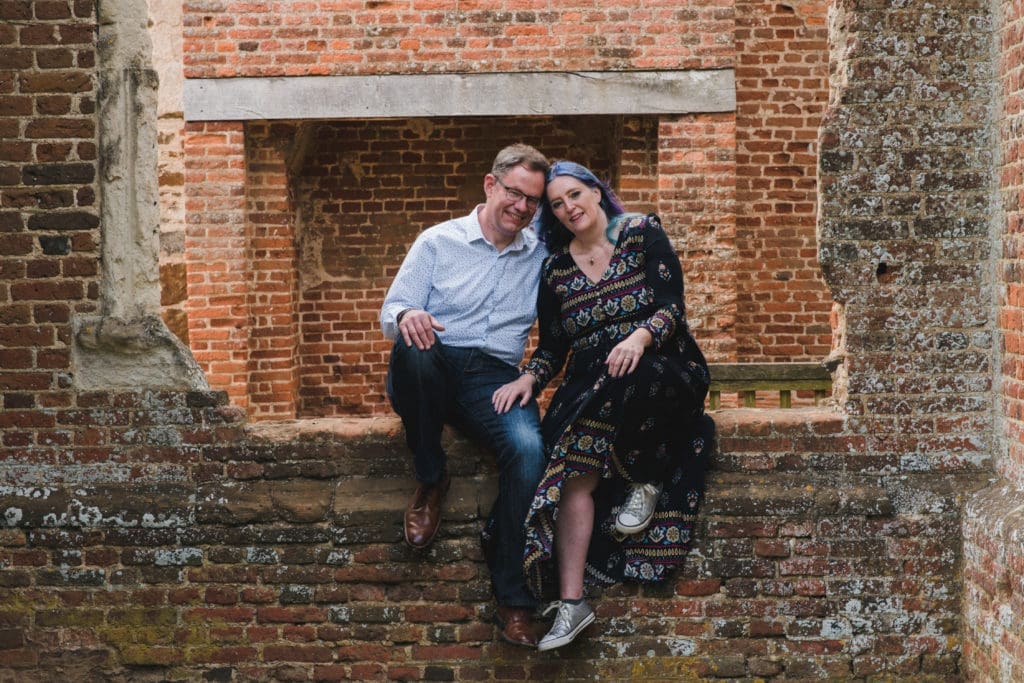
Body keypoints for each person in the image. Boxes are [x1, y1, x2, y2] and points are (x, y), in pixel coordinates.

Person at [492, 160, 715, 651]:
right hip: (593, 382)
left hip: (663, 364)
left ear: (596, 191)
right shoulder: (554, 269)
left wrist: (638, 338)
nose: (568, 208)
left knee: (634, 373)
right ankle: (572, 604)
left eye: (574, 194)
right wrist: (529, 376)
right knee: (571, 471)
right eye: (556, 204)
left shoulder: (639, 233)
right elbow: (553, 346)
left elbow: (671, 305)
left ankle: (649, 481)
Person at [380, 143, 551, 647]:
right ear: (490, 185)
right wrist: (408, 315)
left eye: (532, 201)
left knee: (528, 450)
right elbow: (394, 308)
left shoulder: (541, 255)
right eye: (515, 193)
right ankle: (431, 478)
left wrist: (531, 376)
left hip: (495, 378)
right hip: (432, 361)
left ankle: (514, 600)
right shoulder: (439, 241)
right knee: (414, 345)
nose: (521, 207)